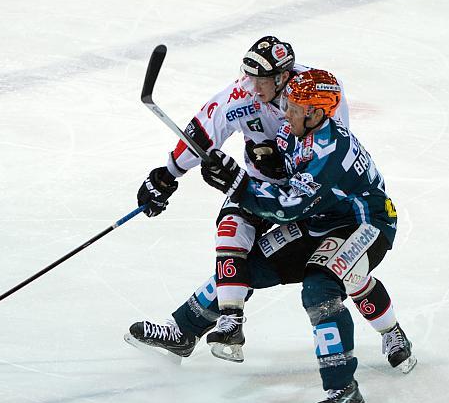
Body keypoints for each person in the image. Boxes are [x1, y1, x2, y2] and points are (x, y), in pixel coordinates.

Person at [130, 36, 413, 372]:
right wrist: (169, 172)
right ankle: (199, 328)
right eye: (249, 76)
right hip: (261, 189)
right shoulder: (244, 93)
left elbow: (322, 162)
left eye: (261, 80)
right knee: (233, 239)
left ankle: (387, 334)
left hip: (319, 203)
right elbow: (207, 127)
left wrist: (278, 171)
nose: (252, 86)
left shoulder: (313, 95)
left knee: (344, 276)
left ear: (282, 77)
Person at [194, 68, 410, 403]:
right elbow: (281, 167)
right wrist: (250, 162)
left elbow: (289, 206)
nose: (286, 112)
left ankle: (344, 391)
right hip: (322, 220)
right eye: (288, 103)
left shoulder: (332, 152)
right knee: (248, 266)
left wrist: (236, 183)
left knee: (321, 285)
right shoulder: (293, 127)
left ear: (317, 113)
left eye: (295, 107)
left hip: (366, 222)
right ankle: (182, 330)